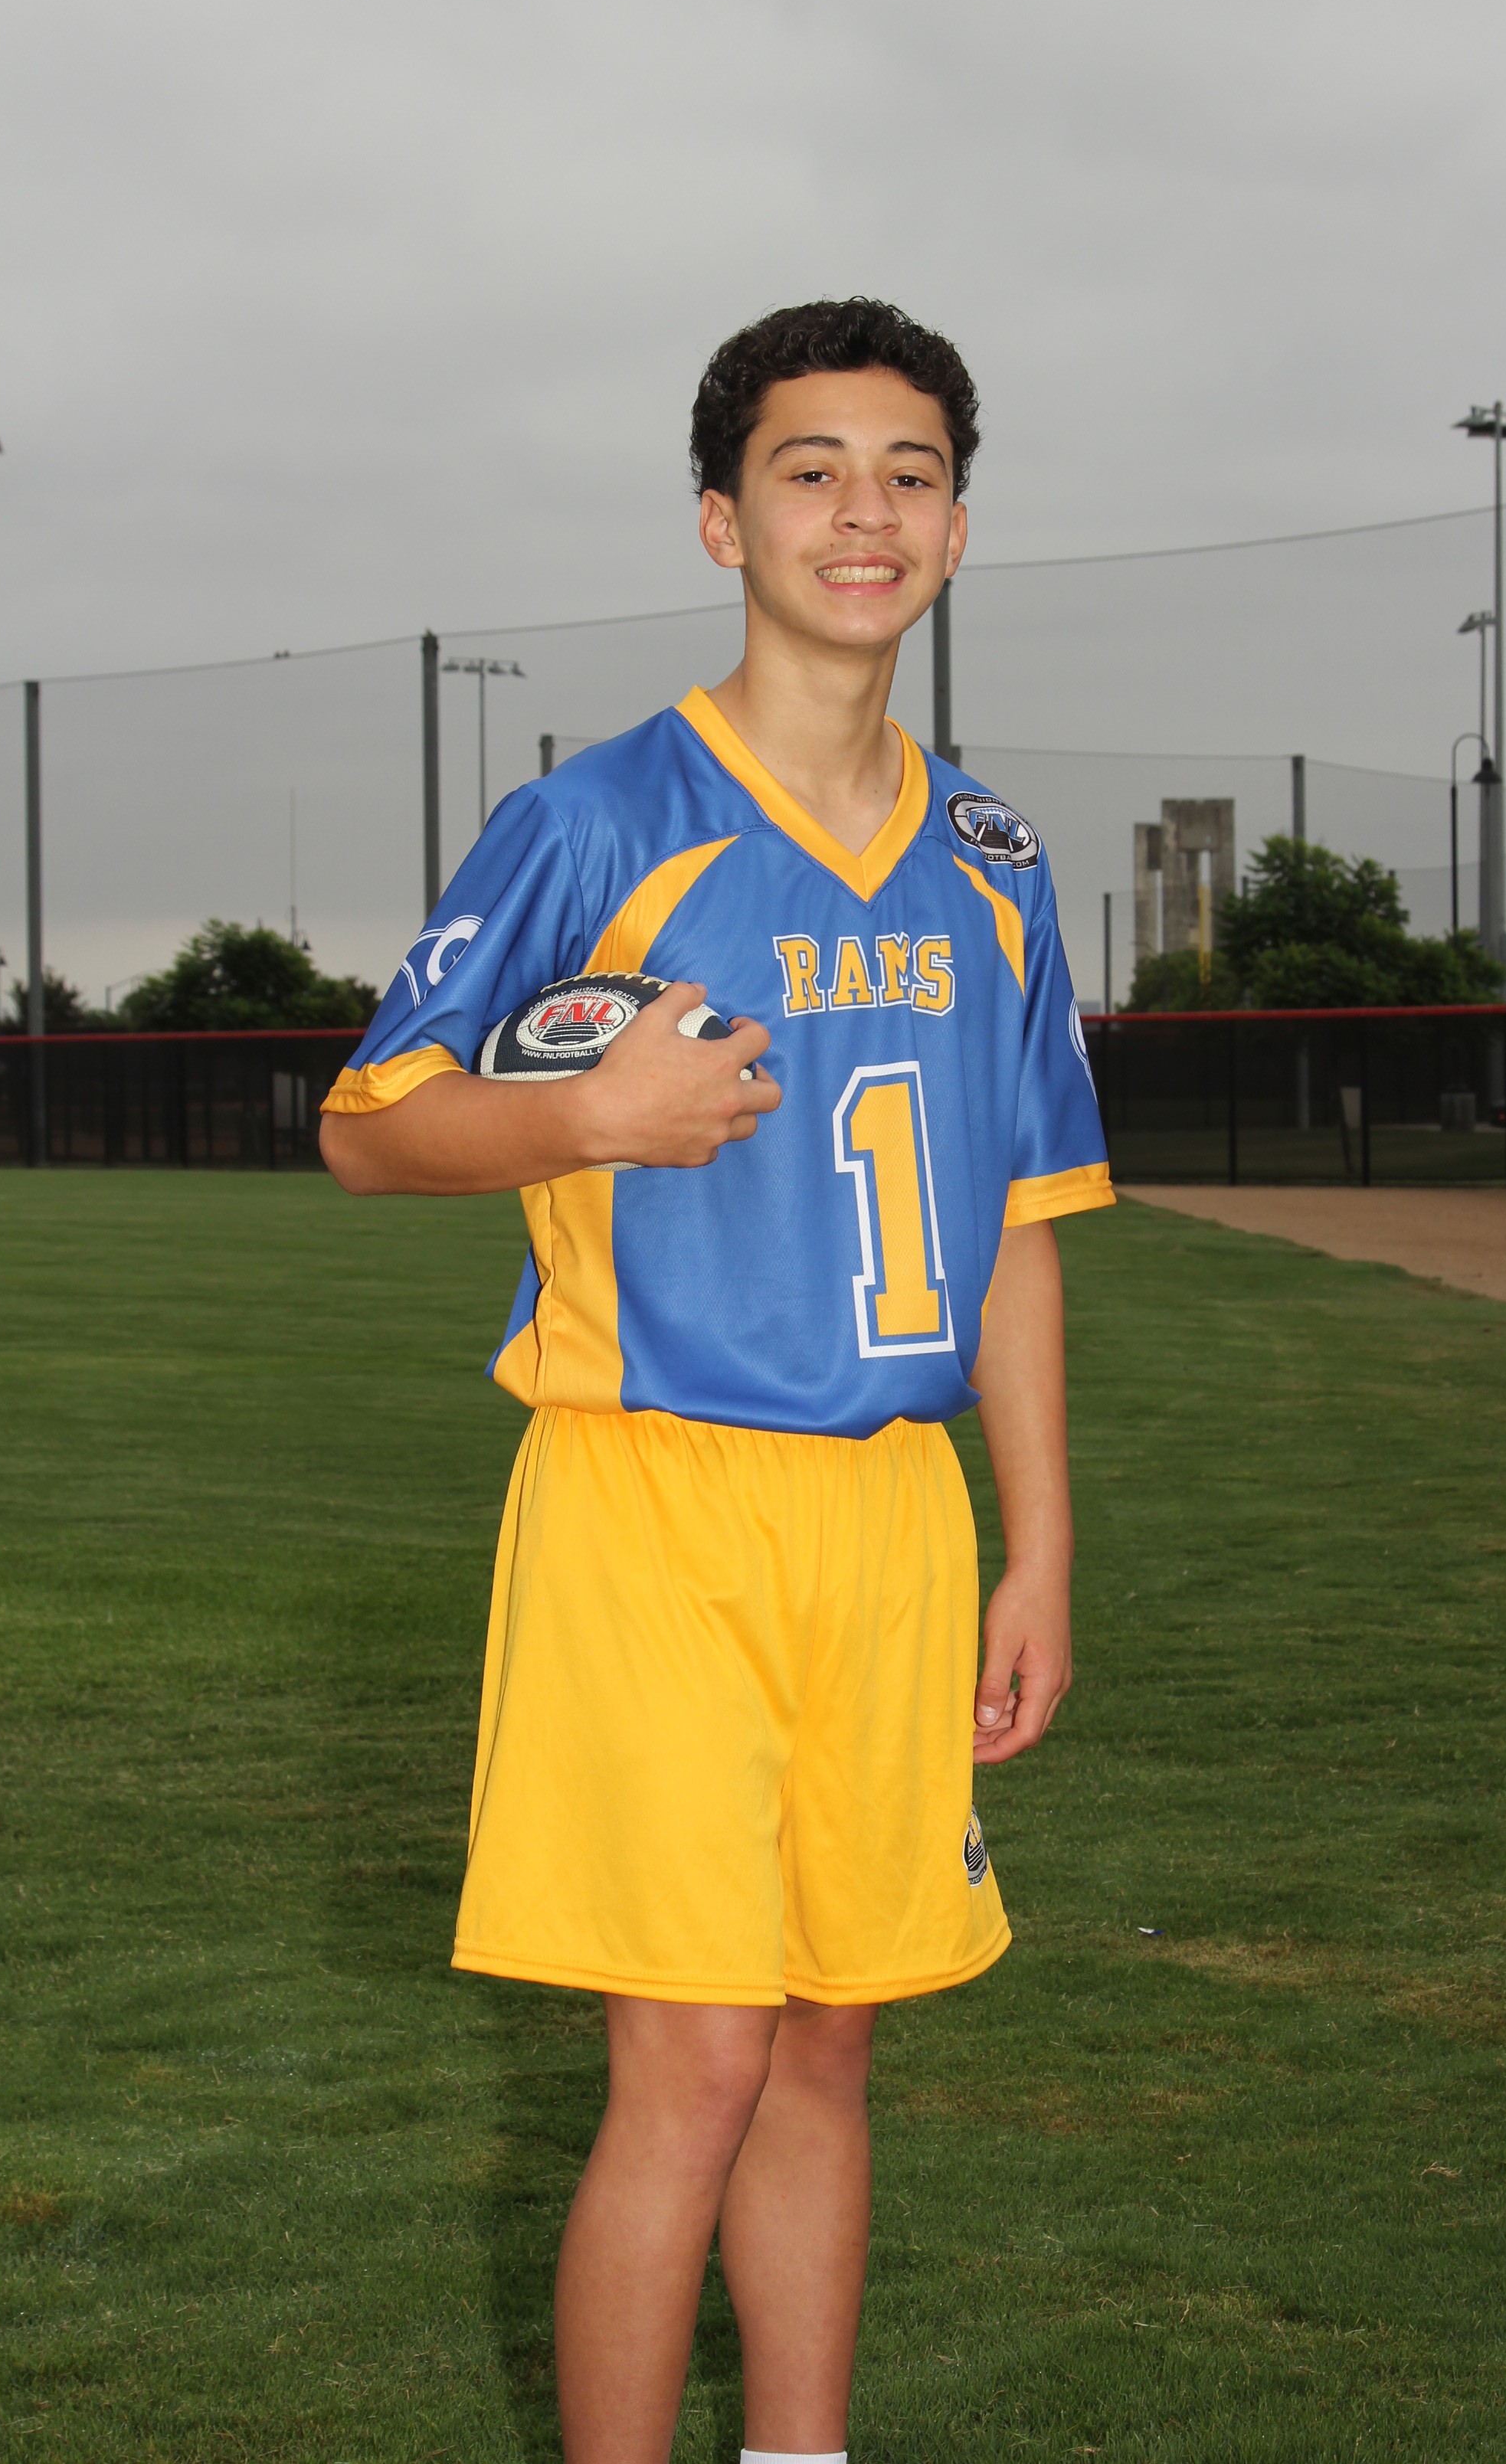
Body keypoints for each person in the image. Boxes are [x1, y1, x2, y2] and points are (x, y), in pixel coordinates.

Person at [319, 297, 1113, 2464]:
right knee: (691, 2062)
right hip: (654, 1503)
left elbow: (1021, 1224)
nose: (865, 512)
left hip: (892, 1520)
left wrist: (1038, 1550)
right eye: (809, 469)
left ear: (956, 528)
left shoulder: (996, 861)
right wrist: (585, 1116)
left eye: (910, 473)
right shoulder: (599, 823)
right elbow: (370, 1126)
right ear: (720, 520)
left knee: (831, 2046)